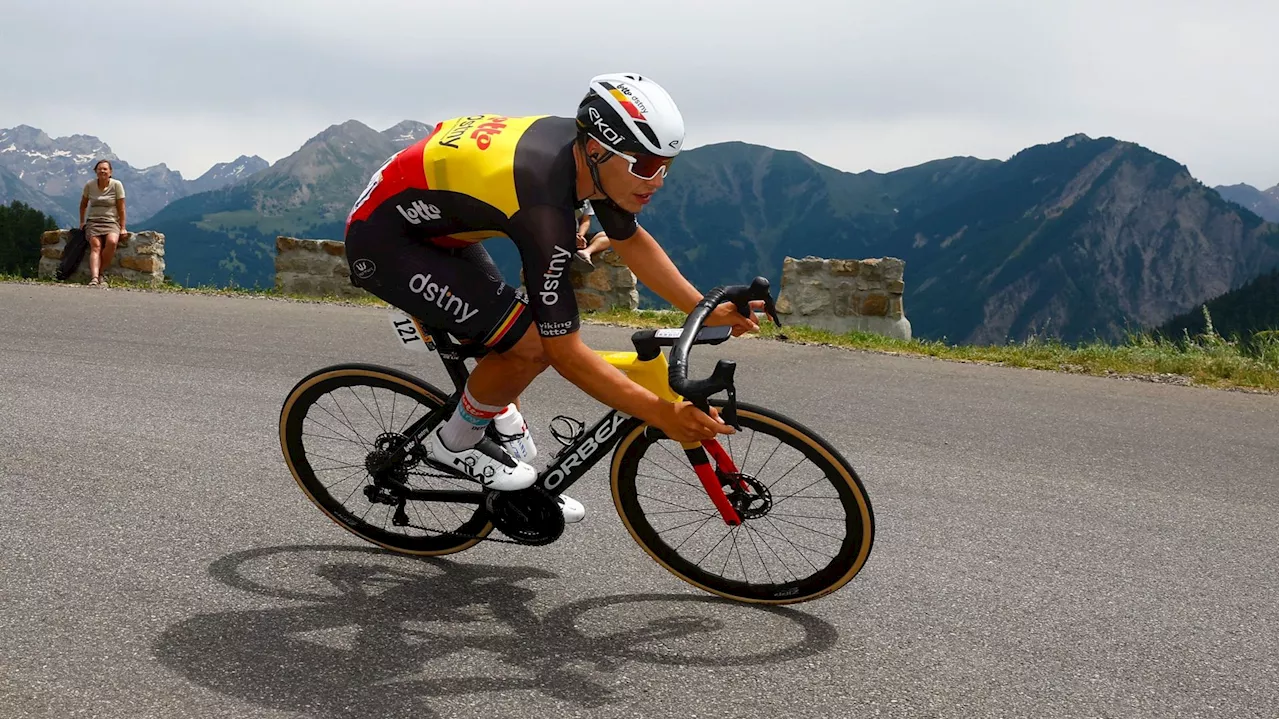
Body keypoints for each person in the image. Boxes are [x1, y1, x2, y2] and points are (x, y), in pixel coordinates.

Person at [343, 73, 763, 523]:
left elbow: (630, 239)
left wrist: (703, 307)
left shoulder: (585, 157)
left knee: (506, 337)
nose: (657, 180)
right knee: (529, 346)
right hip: (386, 244)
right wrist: (662, 414)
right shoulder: (545, 206)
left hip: (432, 222)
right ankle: (454, 444)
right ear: (599, 148)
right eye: (644, 166)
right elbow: (564, 353)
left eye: (666, 165)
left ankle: (503, 448)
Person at [78, 159, 126, 287]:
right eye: (99, 169)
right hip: (93, 221)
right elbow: (83, 205)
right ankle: (94, 278)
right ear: (96, 171)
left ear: (110, 172)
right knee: (96, 246)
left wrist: (123, 227)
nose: (102, 171)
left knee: (112, 242)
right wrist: (82, 222)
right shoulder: (90, 185)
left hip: (111, 221)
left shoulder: (117, 185)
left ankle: (100, 272)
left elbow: (121, 208)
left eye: (105, 169)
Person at [573, 200, 612, 267]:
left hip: (578, 235)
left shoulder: (588, 199)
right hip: (561, 235)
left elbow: (586, 220)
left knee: (610, 236)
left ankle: (585, 252)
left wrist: (580, 236)